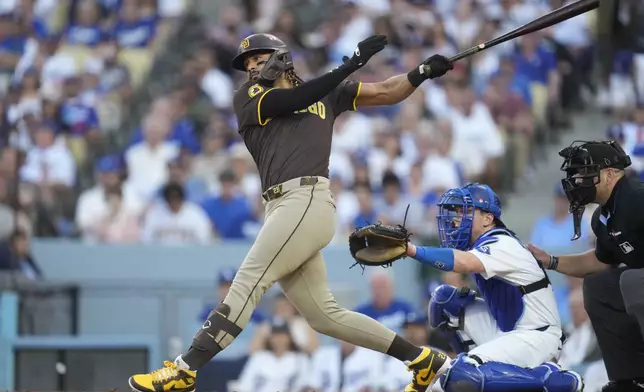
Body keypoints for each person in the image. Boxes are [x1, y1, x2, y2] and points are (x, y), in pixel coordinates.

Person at [129, 33, 454, 392]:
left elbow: (388, 91)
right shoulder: (250, 97)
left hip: (306, 200)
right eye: (247, 63)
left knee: (248, 281)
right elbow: (299, 97)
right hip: (282, 207)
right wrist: (350, 63)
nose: (252, 67)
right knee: (324, 316)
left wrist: (421, 72)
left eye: (258, 58)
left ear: (281, 56)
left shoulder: (326, 92)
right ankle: (423, 359)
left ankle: (184, 370)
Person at [405, 183, 583, 392]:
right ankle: (483, 371)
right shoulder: (482, 243)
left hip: (537, 336)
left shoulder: (502, 242)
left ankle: (550, 381)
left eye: (466, 212)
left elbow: (464, 263)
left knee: (460, 376)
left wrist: (411, 250)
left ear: (488, 218)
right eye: (458, 212)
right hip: (508, 329)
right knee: (445, 302)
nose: (457, 218)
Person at [527, 140, 644, 392]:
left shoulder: (637, 198)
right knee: (598, 285)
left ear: (610, 174)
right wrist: (550, 260)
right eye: (575, 175)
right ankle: (630, 378)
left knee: (632, 281)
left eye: (584, 173)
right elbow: (599, 261)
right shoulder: (602, 217)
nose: (578, 180)